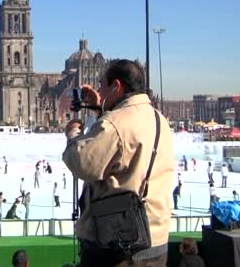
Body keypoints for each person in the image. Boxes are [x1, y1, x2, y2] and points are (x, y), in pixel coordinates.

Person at [61, 59, 174, 266]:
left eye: (102, 85)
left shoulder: (115, 123)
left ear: (116, 86)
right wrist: (101, 109)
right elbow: (123, 150)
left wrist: (73, 134)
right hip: (155, 241)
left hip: (118, 247)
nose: (100, 91)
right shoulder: (159, 119)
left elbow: (80, 162)